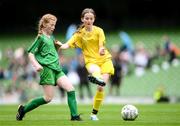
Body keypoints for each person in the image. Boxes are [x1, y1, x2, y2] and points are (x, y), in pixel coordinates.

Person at [16, 14, 82, 121]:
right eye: (51, 25)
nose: (53, 27)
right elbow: (30, 53)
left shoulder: (51, 37)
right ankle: (23, 110)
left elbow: (52, 53)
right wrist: (36, 65)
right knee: (48, 98)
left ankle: (74, 117)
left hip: (57, 68)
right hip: (47, 70)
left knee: (71, 89)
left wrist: (57, 47)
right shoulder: (40, 37)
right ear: (44, 24)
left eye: (54, 25)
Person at [56, 8, 114, 121]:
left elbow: (101, 44)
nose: (89, 20)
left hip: (105, 60)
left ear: (94, 19)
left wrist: (101, 49)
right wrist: (59, 44)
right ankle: (97, 77)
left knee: (101, 88)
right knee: (95, 71)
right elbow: (67, 45)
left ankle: (94, 114)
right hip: (91, 61)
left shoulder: (99, 31)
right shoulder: (79, 34)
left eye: (91, 18)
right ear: (82, 19)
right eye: (86, 18)